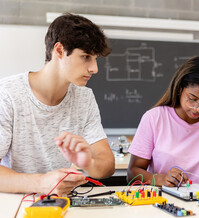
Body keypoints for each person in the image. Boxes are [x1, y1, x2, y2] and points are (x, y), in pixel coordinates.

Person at [0, 13, 115, 195]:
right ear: (59, 50)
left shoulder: (84, 98)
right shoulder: (7, 93)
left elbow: (107, 165)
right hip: (15, 209)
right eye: (86, 57)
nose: (95, 68)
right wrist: (41, 183)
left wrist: (88, 163)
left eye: (95, 59)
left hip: (60, 205)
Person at [127, 56, 199, 187]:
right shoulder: (154, 118)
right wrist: (161, 179)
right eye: (192, 99)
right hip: (162, 200)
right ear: (179, 89)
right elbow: (132, 174)